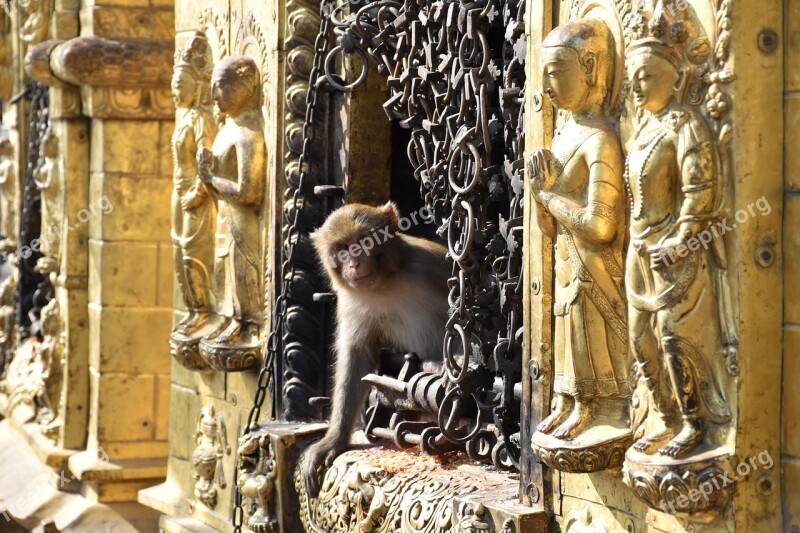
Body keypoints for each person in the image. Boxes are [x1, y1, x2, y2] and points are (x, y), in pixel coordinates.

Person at [624, 30, 733, 458]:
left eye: (646, 76)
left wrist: (684, 239)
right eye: (632, 77)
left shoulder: (686, 124)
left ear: (675, 77)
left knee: (671, 334)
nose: (635, 85)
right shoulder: (644, 128)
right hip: (640, 250)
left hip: (677, 252)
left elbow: (699, 189)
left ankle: (694, 422)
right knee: (639, 338)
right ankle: (665, 418)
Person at [528, 19, 629, 441]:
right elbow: (547, 229)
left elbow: (602, 226)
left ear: (589, 66)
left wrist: (548, 195)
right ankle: (569, 400)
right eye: (545, 74)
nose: (548, 86)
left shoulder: (601, 139)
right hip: (568, 266)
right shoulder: (566, 133)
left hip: (596, 269)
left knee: (593, 342)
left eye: (556, 72)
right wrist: (539, 197)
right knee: (569, 338)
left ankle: (597, 405)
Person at [197, 55, 266, 345]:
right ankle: (230, 318)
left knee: (241, 273)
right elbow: (222, 188)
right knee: (224, 271)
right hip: (225, 216)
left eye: (221, 86)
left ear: (245, 85)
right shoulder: (228, 128)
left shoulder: (248, 134)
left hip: (241, 221)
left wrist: (212, 178)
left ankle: (246, 322)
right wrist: (206, 175)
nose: (213, 96)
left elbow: (249, 193)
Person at [170, 32, 218, 338]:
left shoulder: (201, 119)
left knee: (194, 252)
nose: (174, 91)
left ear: (195, 86)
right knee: (177, 251)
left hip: (195, 194)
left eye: (179, 85)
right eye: (174, 85)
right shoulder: (183, 117)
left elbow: (207, 160)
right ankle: (191, 309)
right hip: (178, 191)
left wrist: (199, 193)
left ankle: (203, 310)